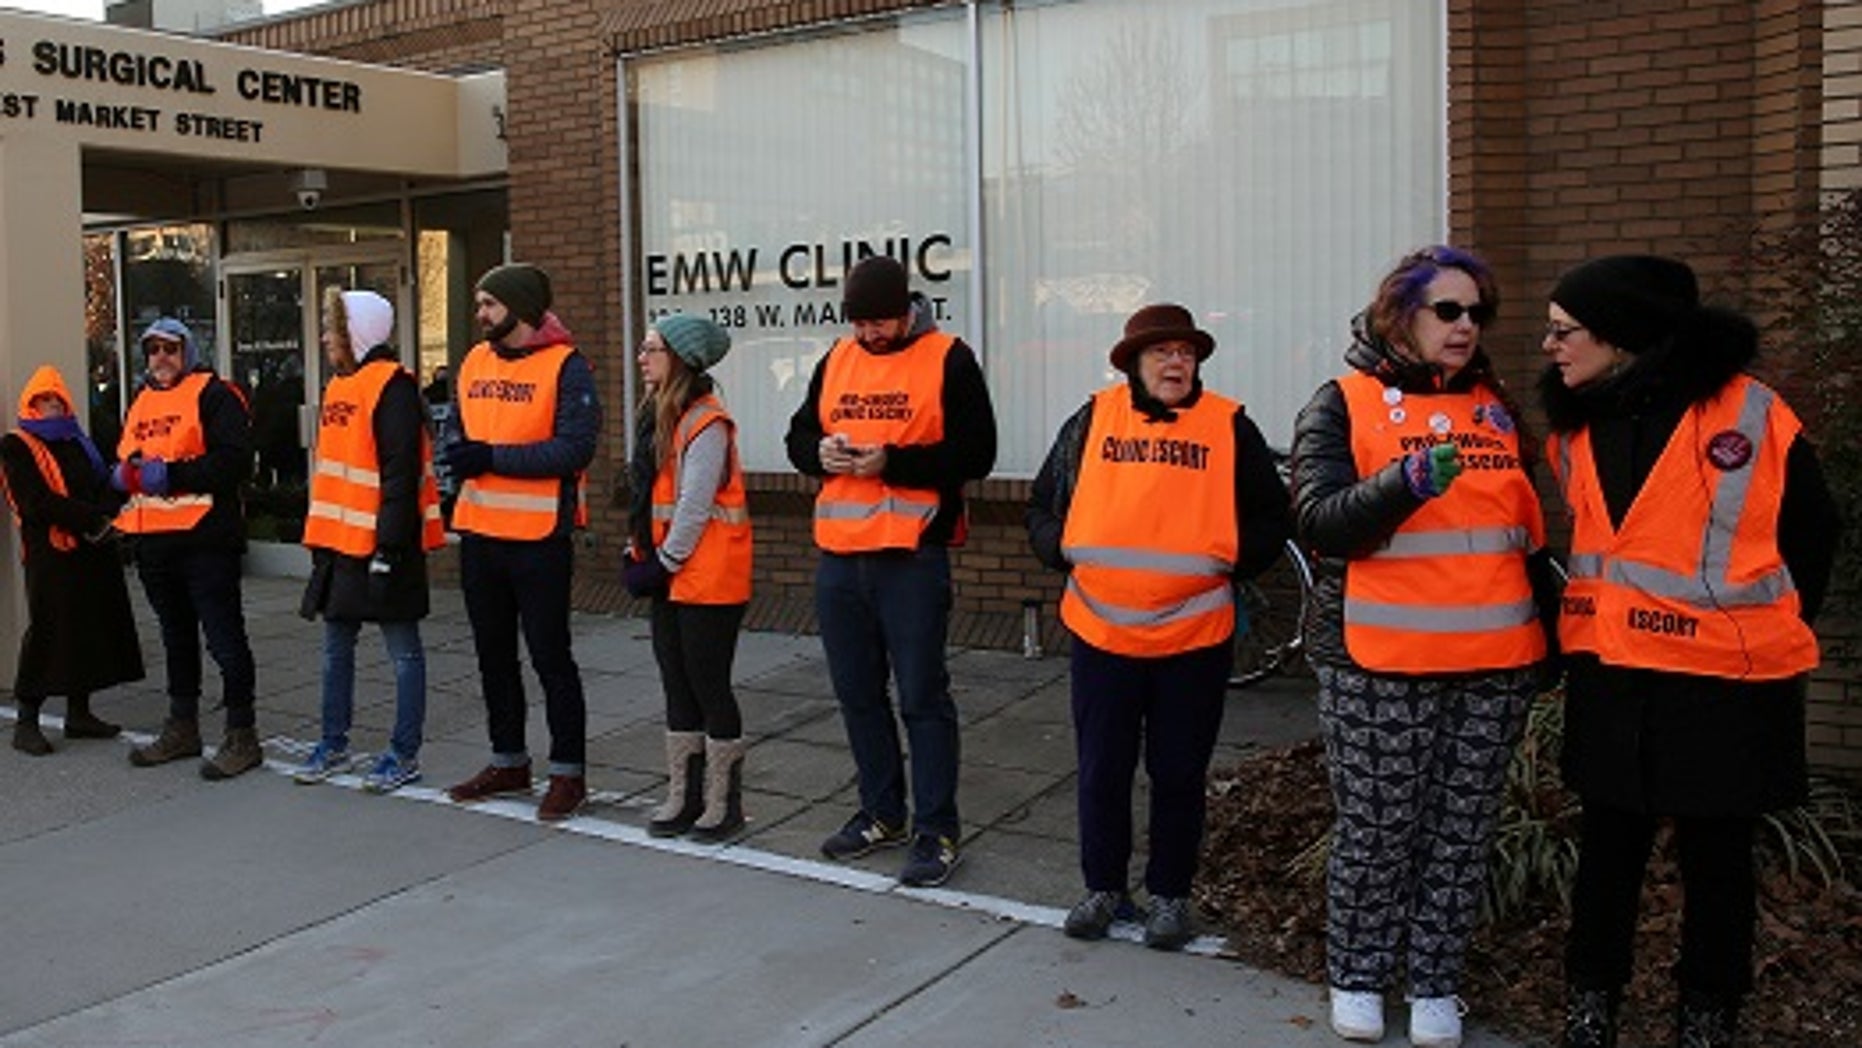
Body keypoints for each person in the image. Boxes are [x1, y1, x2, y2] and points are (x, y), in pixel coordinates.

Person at [1538, 256, 1840, 1048]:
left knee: (1717, 862)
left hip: (1723, 682)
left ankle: (1707, 1016)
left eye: (1564, 331)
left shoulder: (1750, 415)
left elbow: (1813, 531)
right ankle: (1590, 1004)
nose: (1549, 346)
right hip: (1612, 674)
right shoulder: (1576, 424)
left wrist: (1755, 623)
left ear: (1621, 334)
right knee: (1607, 852)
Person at [1290, 246, 1559, 1048]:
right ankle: (1360, 976)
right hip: (1380, 662)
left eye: (1477, 312)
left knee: (1461, 830)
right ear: (1398, 315)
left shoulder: (1496, 407)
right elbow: (1319, 521)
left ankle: (1436, 983)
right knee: (1378, 829)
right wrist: (1403, 485)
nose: (1466, 326)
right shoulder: (1342, 402)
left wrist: (1555, 642)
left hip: (1493, 664)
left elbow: (1524, 536)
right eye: (1449, 310)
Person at [1025, 304, 1292, 949]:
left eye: (1185, 352)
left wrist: (1232, 557)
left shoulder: (1229, 425)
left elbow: (1270, 516)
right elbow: (1043, 502)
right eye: (1161, 352)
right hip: (1101, 633)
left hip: (1191, 639)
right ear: (1134, 363)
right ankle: (1103, 889)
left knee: (1177, 773)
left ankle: (1170, 895)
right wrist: (1057, 547)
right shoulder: (1091, 420)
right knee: (1102, 770)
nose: (1176, 362)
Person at [783, 255, 996, 888]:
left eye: (881, 321)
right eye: (860, 323)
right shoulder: (836, 360)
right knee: (856, 695)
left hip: (911, 558)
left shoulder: (949, 358)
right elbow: (798, 436)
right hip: (841, 556)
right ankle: (881, 813)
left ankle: (937, 829)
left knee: (923, 698)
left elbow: (978, 452)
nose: (870, 334)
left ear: (908, 310)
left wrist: (892, 462)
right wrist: (815, 454)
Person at [438, 263, 601, 822]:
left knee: (551, 657)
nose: (479, 313)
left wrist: (491, 458)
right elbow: (456, 428)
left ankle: (567, 774)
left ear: (520, 306)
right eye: (479, 303)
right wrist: (460, 453)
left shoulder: (567, 366)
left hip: (537, 539)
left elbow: (574, 450)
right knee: (493, 657)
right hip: (480, 533)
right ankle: (508, 761)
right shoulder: (474, 360)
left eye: (488, 304)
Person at [294, 289, 445, 794]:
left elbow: (400, 475)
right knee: (337, 649)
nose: (324, 338)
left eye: (333, 329)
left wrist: (389, 548)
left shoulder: (392, 387)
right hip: (341, 544)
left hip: (384, 546)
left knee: (402, 650)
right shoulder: (344, 385)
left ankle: (403, 754)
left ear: (355, 334)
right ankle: (332, 743)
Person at [115, 316, 265, 781]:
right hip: (155, 544)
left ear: (188, 352)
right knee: (176, 638)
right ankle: (183, 726)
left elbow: (234, 462)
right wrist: (122, 475)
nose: (161, 357)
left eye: (170, 348)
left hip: (205, 541)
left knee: (224, 639)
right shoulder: (141, 401)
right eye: (153, 349)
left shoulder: (213, 395)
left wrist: (173, 476)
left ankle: (242, 734)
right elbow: (128, 455)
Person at [624, 314, 753, 842]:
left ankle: (723, 803)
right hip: (673, 578)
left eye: (652, 348)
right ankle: (685, 794)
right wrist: (634, 553)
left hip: (707, 580)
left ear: (679, 358)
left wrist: (659, 565)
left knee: (709, 686)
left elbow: (694, 508)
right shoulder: (659, 415)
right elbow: (646, 498)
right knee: (677, 686)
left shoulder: (706, 422)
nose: (642, 356)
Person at [2, 366, 144, 755]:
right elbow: (34, 502)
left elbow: (99, 484)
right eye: (43, 400)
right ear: (29, 404)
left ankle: (79, 713)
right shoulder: (16, 445)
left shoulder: (79, 441)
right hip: (52, 553)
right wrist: (92, 520)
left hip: (91, 549)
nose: (50, 405)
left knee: (88, 626)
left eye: (56, 399)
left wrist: (113, 504)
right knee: (49, 631)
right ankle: (27, 718)